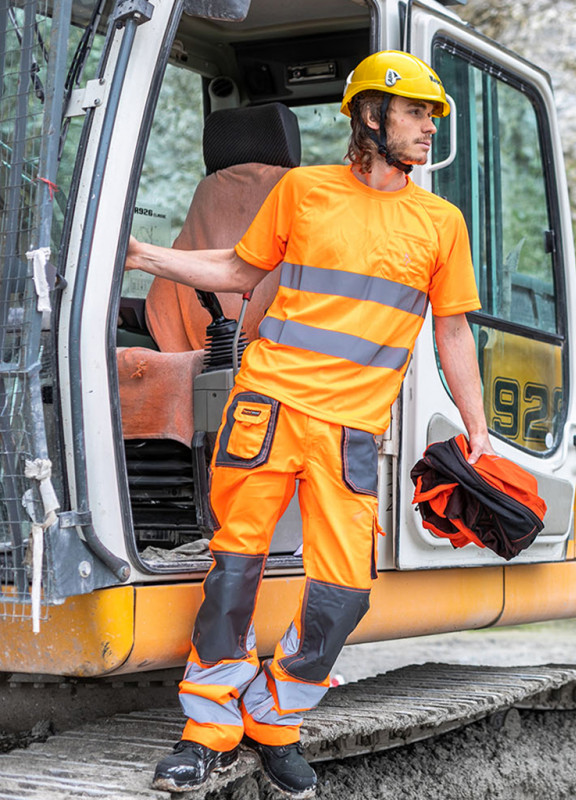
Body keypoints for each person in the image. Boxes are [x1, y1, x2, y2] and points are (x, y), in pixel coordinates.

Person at [126, 50, 495, 799]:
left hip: (352, 429)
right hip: (266, 410)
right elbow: (237, 271)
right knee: (233, 572)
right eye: (417, 112)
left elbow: (453, 331)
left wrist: (477, 424)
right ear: (369, 115)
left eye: (432, 116)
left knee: (343, 592)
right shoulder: (302, 191)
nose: (430, 128)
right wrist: (137, 252)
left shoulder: (439, 221)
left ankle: (273, 716)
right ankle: (207, 730)